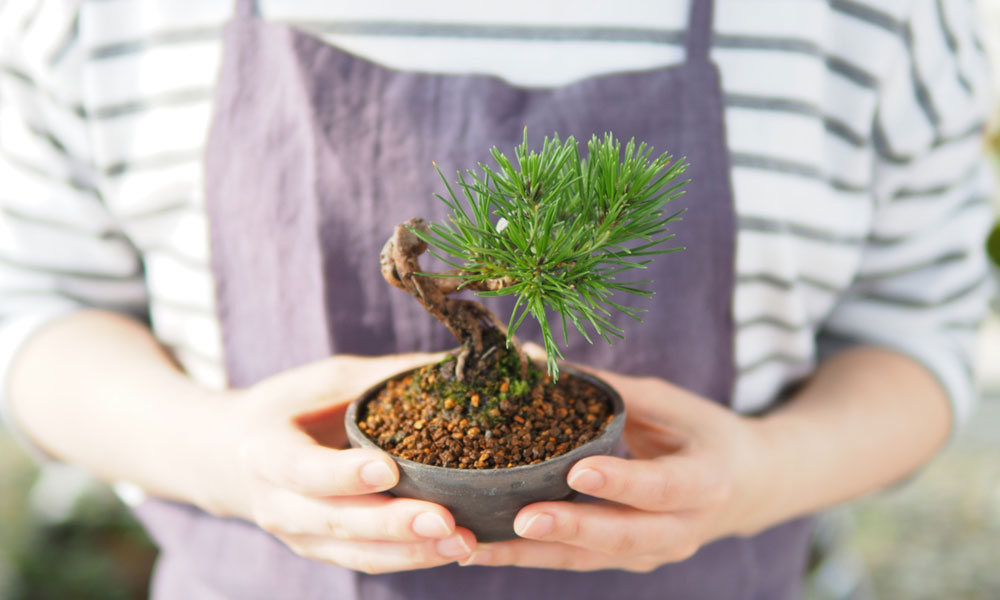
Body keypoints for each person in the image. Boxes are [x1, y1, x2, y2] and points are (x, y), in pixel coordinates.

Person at [0, 0, 993, 598]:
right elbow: (34, 302)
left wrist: (763, 472)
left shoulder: (876, 19)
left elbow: (921, 326)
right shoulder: (102, 16)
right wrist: (217, 457)